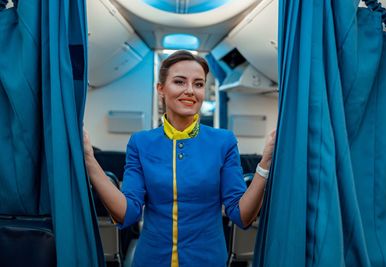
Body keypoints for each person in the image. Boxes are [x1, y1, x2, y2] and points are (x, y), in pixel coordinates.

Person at [83, 50, 276, 267]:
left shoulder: (223, 142)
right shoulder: (141, 143)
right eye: (179, 82)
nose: (190, 91)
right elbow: (127, 214)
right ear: (161, 89)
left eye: (199, 84)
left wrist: (265, 164)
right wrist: (89, 160)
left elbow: (242, 216)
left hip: (207, 261)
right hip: (152, 260)